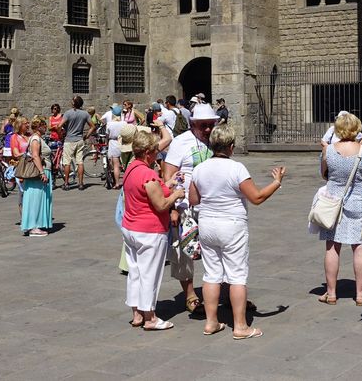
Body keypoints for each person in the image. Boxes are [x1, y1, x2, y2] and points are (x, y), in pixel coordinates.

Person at [190, 123, 285, 339]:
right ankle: (240, 326)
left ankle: (211, 322)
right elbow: (257, 197)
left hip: (207, 223)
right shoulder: (236, 168)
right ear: (231, 146)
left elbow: (194, 199)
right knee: (237, 275)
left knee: (211, 274)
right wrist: (276, 182)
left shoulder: (200, 168)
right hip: (231, 224)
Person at [121, 129, 185, 330]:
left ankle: (137, 314)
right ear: (148, 152)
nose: (158, 153)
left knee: (135, 272)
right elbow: (161, 204)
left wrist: (168, 183)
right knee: (150, 274)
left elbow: (149, 191)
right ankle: (150, 317)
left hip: (130, 227)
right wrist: (176, 194)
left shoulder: (131, 168)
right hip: (149, 230)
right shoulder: (147, 174)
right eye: (155, 150)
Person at [309, 112, 362, 305]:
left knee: (332, 246)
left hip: (333, 202)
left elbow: (324, 174)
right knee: (360, 247)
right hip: (359, 201)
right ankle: (361, 294)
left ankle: (331, 293)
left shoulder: (328, 150)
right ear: (356, 129)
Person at [161, 102, 219, 313]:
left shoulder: (216, 140)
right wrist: (173, 207)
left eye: (211, 124)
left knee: (218, 248)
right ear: (193, 124)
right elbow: (168, 175)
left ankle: (224, 290)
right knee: (183, 251)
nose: (208, 129)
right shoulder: (180, 142)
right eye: (203, 125)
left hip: (212, 205)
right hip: (185, 205)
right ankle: (190, 295)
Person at [21, 117, 54, 237]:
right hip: (39, 173)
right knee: (36, 199)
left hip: (42, 171)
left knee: (39, 199)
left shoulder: (38, 138)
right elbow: (35, 156)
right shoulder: (35, 139)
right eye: (44, 125)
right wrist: (42, 173)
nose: (46, 127)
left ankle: (36, 224)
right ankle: (33, 226)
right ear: (39, 127)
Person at [60, 96, 90, 191]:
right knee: (80, 162)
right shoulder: (85, 114)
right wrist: (86, 136)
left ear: (73, 103)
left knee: (67, 162)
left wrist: (60, 135)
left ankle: (66, 183)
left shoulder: (68, 113)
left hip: (69, 140)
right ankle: (81, 183)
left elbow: (59, 126)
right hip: (80, 139)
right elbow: (93, 126)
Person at [106, 105, 126, 188]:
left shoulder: (109, 124)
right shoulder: (124, 123)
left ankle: (117, 183)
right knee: (126, 165)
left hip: (113, 143)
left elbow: (107, 135)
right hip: (123, 143)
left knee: (115, 165)